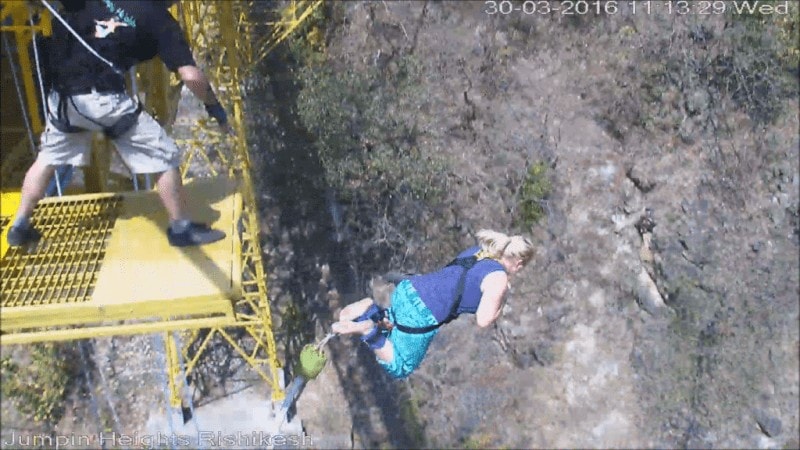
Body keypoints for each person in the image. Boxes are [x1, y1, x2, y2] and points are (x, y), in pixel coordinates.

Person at [7, 0, 231, 248]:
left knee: (47, 159)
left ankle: (20, 225)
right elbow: (190, 76)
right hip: (103, 99)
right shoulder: (159, 19)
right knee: (164, 155)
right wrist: (215, 107)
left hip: (62, 98)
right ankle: (181, 227)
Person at [331, 229, 535, 379]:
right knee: (401, 366)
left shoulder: (479, 251)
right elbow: (483, 320)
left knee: (392, 326)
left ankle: (372, 310)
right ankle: (367, 328)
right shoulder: (498, 278)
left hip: (408, 289)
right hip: (425, 313)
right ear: (518, 264)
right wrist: (502, 299)